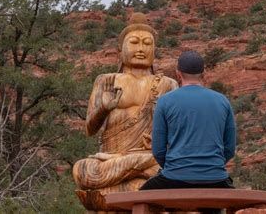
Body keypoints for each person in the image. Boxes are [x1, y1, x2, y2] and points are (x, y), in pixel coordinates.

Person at [72, 13, 178, 210]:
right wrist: (103, 109)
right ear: (119, 50)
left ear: (155, 50)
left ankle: (136, 168)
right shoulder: (106, 80)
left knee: (171, 162)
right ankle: (139, 170)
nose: (141, 49)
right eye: (134, 42)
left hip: (149, 157)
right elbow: (90, 129)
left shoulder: (167, 84)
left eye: (147, 43)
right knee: (83, 170)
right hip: (116, 161)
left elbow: (179, 132)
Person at [140, 50, 236, 191]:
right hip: (215, 178)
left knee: (140, 199)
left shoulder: (165, 101)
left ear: (178, 73)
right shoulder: (222, 101)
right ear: (204, 73)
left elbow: (158, 150)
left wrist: (176, 169)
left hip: (174, 177)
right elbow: (229, 149)